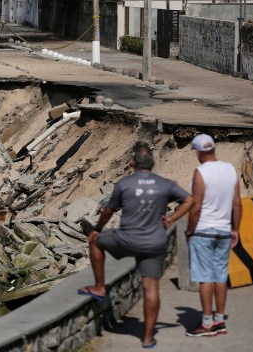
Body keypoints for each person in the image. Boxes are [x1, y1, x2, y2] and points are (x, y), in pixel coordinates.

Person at [78, 141, 195, 349]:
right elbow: (189, 200)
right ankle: (148, 338)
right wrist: (172, 218)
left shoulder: (124, 184)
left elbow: (108, 211)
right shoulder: (164, 184)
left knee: (95, 241)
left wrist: (97, 228)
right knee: (151, 287)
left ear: (132, 162)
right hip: (154, 243)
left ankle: (99, 287)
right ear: (153, 162)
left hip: (127, 240)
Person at [164, 133, 242, 337]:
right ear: (213, 149)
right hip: (224, 231)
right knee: (220, 277)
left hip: (204, 232)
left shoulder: (200, 172)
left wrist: (190, 231)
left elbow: (196, 207)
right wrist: (235, 229)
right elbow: (237, 203)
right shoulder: (230, 169)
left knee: (206, 278)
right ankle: (219, 320)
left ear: (198, 151)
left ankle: (207, 323)